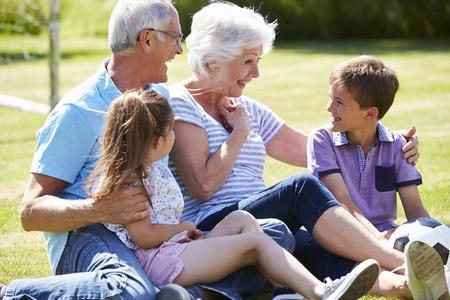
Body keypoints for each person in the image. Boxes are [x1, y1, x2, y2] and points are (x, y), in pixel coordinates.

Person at [166, 2, 420, 299]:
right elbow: (204, 186)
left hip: (259, 222)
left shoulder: (246, 108)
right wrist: (240, 134)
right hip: (212, 228)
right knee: (301, 189)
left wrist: (391, 143)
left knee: (313, 244)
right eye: (249, 60)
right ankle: (403, 262)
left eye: (258, 60)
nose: (257, 72)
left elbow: (316, 152)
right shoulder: (181, 104)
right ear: (215, 60)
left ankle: (405, 285)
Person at [87, 88, 382, 300]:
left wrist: (182, 232)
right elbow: (142, 236)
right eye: (171, 131)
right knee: (254, 242)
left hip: (172, 249)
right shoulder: (130, 181)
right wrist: (182, 228)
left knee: (241, 219)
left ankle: (279, 285)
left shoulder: (149, 168)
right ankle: (319, 291)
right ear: (157, 140)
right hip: (160, 260)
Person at [2, 1, 185, 299]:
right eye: (176, 38)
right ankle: (8, 294)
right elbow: (30, 212)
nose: (179, 50)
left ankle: (182, 293)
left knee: (267, 235)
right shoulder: (78, 110)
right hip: (89, 233)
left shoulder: (160, 98)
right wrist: (100, 209)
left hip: (149, 231)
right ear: (147, 39)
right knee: (129, 291)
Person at [307, 55, 447, 299]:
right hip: (338, 233)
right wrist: (375, 238)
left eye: (339, 102)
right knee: (372, 268)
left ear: (370, 114)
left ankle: (429, 282)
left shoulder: (397, 146)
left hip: (387, 236)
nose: (329, 108)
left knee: (413, 250)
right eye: (331, 98)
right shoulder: (322, 139)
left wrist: (438, 237)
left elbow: (415, 210)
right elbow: (342, 201)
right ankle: (415, 285)